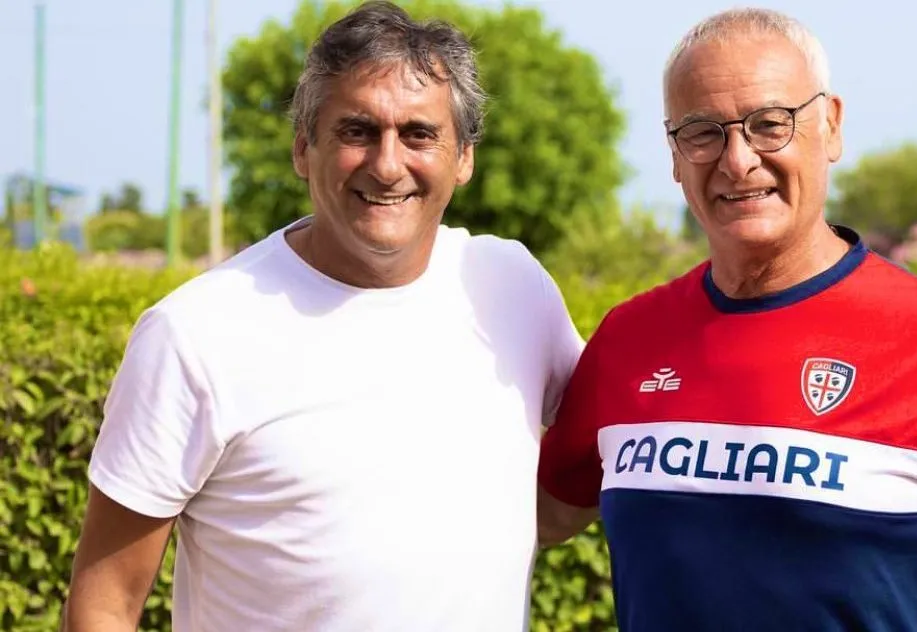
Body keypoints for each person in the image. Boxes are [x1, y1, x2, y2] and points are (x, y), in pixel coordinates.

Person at [536, 8, 917, 631]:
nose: (737, 160)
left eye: (770, 124)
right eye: (703, 132)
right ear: (674, 154)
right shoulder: (628, 340)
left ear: (831, 126)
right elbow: (535, 520)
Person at [63, 2, 583, 630]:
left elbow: (564, 496)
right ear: (303, 149)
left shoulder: (515, 286)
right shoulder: (195, 334)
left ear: (464, 157)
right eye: (357, 131)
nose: (388, 164)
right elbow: (103, 605)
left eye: (418, 133)